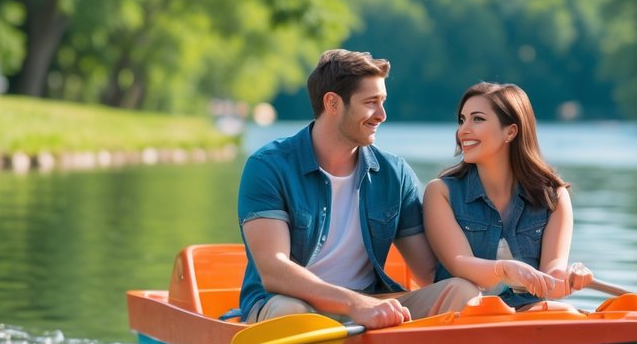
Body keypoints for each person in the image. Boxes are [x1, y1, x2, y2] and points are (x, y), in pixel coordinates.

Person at [238, 49, 478, 329]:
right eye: (371, 102)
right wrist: (355, 304)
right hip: (290, 302)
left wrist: (503, 272)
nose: (382, 115)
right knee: (289, 313)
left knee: (462, 291)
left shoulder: (394, 173)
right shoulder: (269, 166)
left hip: (369, 305)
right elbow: (274, 271)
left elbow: (428, 271)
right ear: (333, 103)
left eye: (383, 101)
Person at [423, 82, 594, 310]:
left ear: (511, 131)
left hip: (524, 310)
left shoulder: (554, 197)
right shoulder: (441, 192)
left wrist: (570, 277)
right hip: (464, 311)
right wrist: (503, 268)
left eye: (478, 119)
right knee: (465, 295)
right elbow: (458, 264)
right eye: (462, 120)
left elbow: (552, 277)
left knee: (564, 312)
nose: (463, 130)